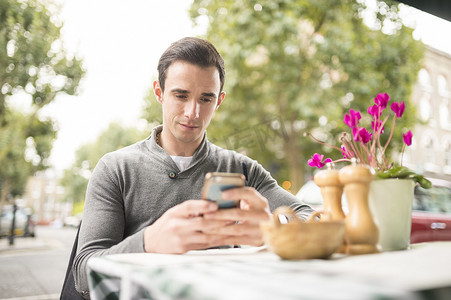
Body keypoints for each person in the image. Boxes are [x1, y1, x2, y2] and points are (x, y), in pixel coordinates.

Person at [73, 37, 314, 297]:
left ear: (219, 101)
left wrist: (274, 230)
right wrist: (148, 242)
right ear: (159, 92)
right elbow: (83, 273)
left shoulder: (242, 169)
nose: (193, 112)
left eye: (206, 99)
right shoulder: (115, 169)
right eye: (181, 95)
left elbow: (308, 217)